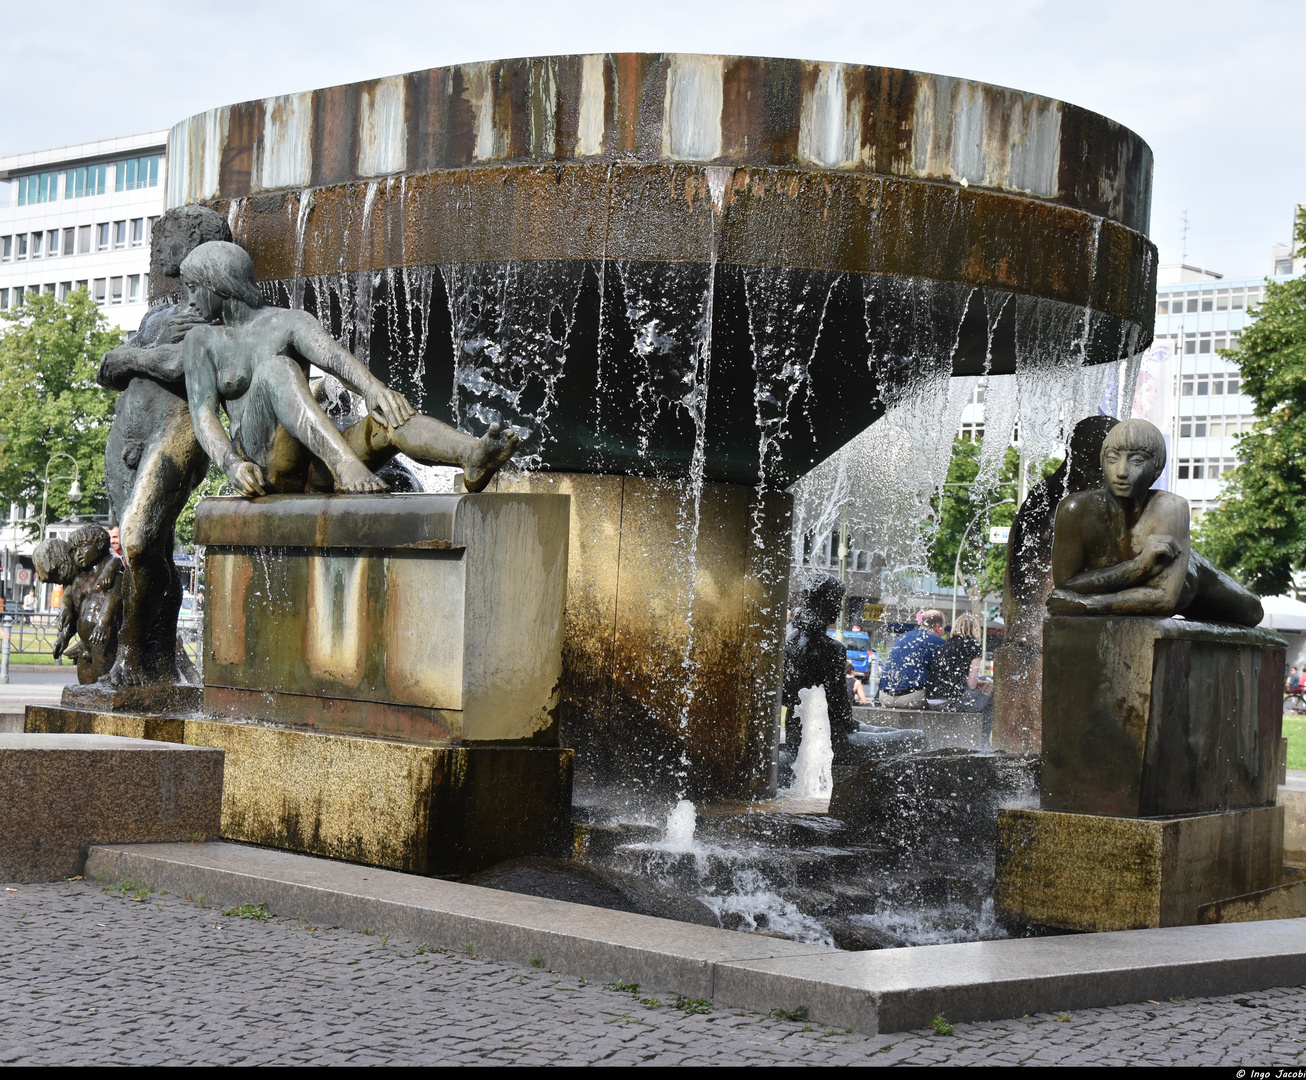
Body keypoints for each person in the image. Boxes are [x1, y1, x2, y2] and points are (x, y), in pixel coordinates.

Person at [178, 242, 519, 498]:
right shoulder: (203, 341)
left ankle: (471, 454)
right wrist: (232, 464)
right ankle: (344, 464)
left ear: (219, 285)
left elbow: (335, 359)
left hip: (317, 460)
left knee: (386, 419)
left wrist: (374, 390)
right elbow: (203, 416)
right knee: (277, 369)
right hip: (263, 465)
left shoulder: (289, 321)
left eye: (193, 288)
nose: (188, 300)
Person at [1047, 418, 1263, 625]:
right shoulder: (1074, 509)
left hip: (1189, 580)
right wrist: (1141, 565)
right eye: (1113, 458)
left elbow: (1163, 599)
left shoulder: (1170, 507)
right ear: (1103, 462)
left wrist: (1087, 604)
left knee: (1252, 610)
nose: (1122, 472)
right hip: (1148, 585)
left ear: (1157, 468)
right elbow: (1066, 586)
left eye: (1137, 461)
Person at [877, 610, 946, 708]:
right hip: (911, 698)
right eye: (943, 628)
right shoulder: (938, 642)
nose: (943, 633)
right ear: (938, 627)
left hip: (885, 696)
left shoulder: (903, 637)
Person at [925, 612, 983, 707]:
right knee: (992, 694)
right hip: (950, 701)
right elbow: (972, 685)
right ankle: (988, 722)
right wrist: (975, 683)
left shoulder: (945, 644)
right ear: (976, 629)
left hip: (931, 699)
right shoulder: (974, 646)